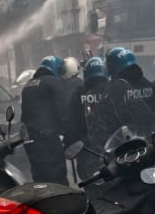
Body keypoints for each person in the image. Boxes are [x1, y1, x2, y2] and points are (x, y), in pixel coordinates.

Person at [20, 56, 69, 185]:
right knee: (57, 178)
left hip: (30, 141)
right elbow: (63, 111)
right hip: (48, 139)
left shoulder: (28, 85)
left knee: (39, 177)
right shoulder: (53, 82)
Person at [63, 56, 110, 178]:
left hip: (87, 150)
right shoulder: (113, 90)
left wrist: (70, 143)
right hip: (112, 146)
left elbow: (70, 123)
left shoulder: (78, 94)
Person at [104, 47, 155, 137]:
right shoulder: (147, 83)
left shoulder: (115, 88)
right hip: (152, 136)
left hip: (125, 140)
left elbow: (108, 118)